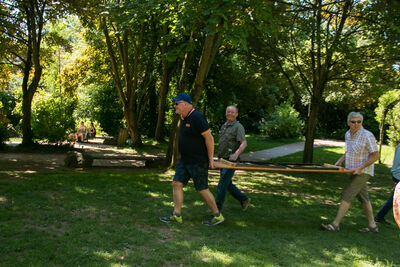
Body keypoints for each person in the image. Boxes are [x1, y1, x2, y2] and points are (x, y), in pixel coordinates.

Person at [160, 93, 224, 226]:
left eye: (177, 103)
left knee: (202, 188)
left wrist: (210, 159)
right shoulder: (184, 117)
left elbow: (209, 138)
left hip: (198, 160)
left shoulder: (197, 117)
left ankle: (217, 216)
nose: (175, 106)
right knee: (176, 183)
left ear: (185, 104)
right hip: (185, 159)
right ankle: (176, 215)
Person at [321, 112, 380, 232]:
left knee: (347, 195)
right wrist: (340, 160)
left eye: (359, 122)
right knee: (364, 199)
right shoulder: (348, 134)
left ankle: (335, 225)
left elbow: (375, 156)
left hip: (363, 171)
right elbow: (349, 151)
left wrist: (360, 168)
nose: (356, 124)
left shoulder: (367, 135)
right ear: (348, 122)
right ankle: (372, 226)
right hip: (352, 171)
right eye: (353, 122)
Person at [216, 105, 250, 211]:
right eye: (228, 112)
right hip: (222, 159)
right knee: (227, 184)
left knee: (222, 185)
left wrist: (236, 154)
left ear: (236, 114)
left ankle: (216, 209)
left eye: (232, 112)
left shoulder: (238, 127)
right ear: (226, 113)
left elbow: (244, 143)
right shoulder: (224, 126)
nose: (230, 114)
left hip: (230, 161)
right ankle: (244, 199)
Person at [374, 144, 400, 224]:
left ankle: (379, 216)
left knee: (394, 198)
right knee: (394, 198)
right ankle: (379, 216)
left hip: (396, 173)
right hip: (398, 174)